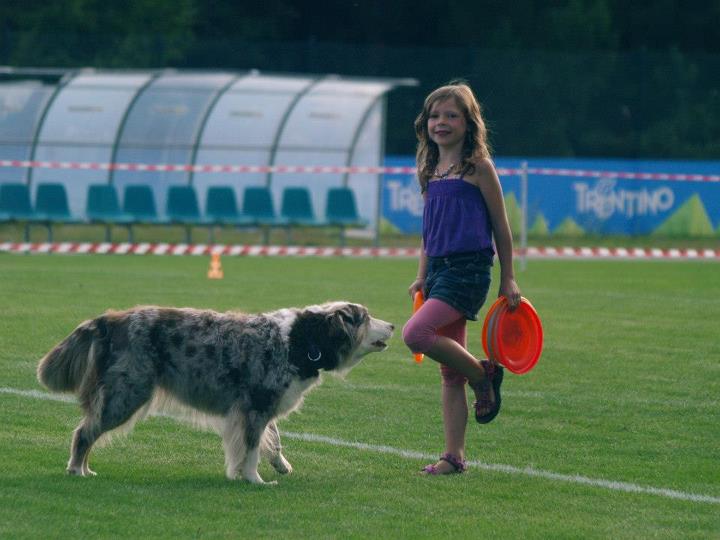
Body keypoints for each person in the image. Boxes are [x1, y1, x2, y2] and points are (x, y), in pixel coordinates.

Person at [402, 82, 521, 475]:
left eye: (451, 115)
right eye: (435, 115)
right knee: (447, 374)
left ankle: (482, 374)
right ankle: (454, 457)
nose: (442, 122)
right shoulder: (430, 169)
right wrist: (421, 276)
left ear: (468, 123)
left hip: (469, 271)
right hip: (438, 272)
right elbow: (428, 231)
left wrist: (509, 279)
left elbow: (501, 228)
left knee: (415, 334)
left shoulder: (479, 168)